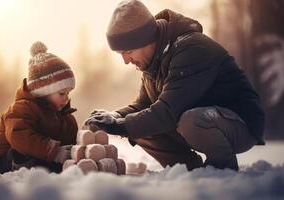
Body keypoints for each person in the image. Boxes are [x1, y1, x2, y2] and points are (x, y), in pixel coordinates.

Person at [85, 0, 265, 171]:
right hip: (200, 119)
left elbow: (168, 111)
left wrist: (119, 125)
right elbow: (143, 105)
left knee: (189, 120)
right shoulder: (152, 62)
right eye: (120, 54)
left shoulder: (191, 49)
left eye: (128, 52)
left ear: (146, 39)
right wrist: (113, 116)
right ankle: (188, 169)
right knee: (140, 124)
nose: (125, 61)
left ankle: (223, 171)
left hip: (239, 123)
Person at [0, 41, 78, 174]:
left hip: (40, 154)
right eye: (61, 93)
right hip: (6, 159)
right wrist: (54, 152)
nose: (66, 98)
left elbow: (69, 140)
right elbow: (18, 135)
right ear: (44, 91)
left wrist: (78, 147)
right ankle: (21, 167)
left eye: (68, 93)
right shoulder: (23, 108)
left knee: (53, 162)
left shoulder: (63, 115)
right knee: (23, 150)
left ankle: (46, 167)